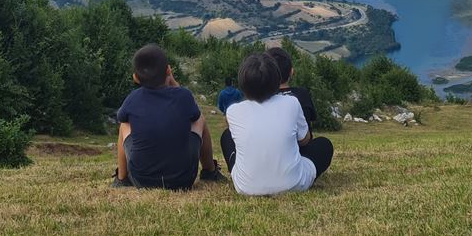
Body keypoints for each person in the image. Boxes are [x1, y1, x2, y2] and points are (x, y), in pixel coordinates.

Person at [112, 44, 224, 190]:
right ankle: (209, 171)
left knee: (124, 124)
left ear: (135, 78)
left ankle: (121, 179)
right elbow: (193, 114)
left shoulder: (133, 98)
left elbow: (122, 117)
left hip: (141, 180)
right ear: (168, 71)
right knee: (200, 119)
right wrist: (174, 83)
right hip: (183, 179)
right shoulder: (183, 96)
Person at [221, 52, 333, 196]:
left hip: (246, 187)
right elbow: (304, 140)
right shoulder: (291, 102)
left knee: (227, 136)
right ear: (276, 80)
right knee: (324, 144)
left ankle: (248, 175)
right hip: (294, 184)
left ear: (243, 83)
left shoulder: (233, 111)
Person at [267, 47, 318, 138]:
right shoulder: (302, 94)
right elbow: (312, 119)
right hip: (302, 143)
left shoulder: (262, 97)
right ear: (291, 72)